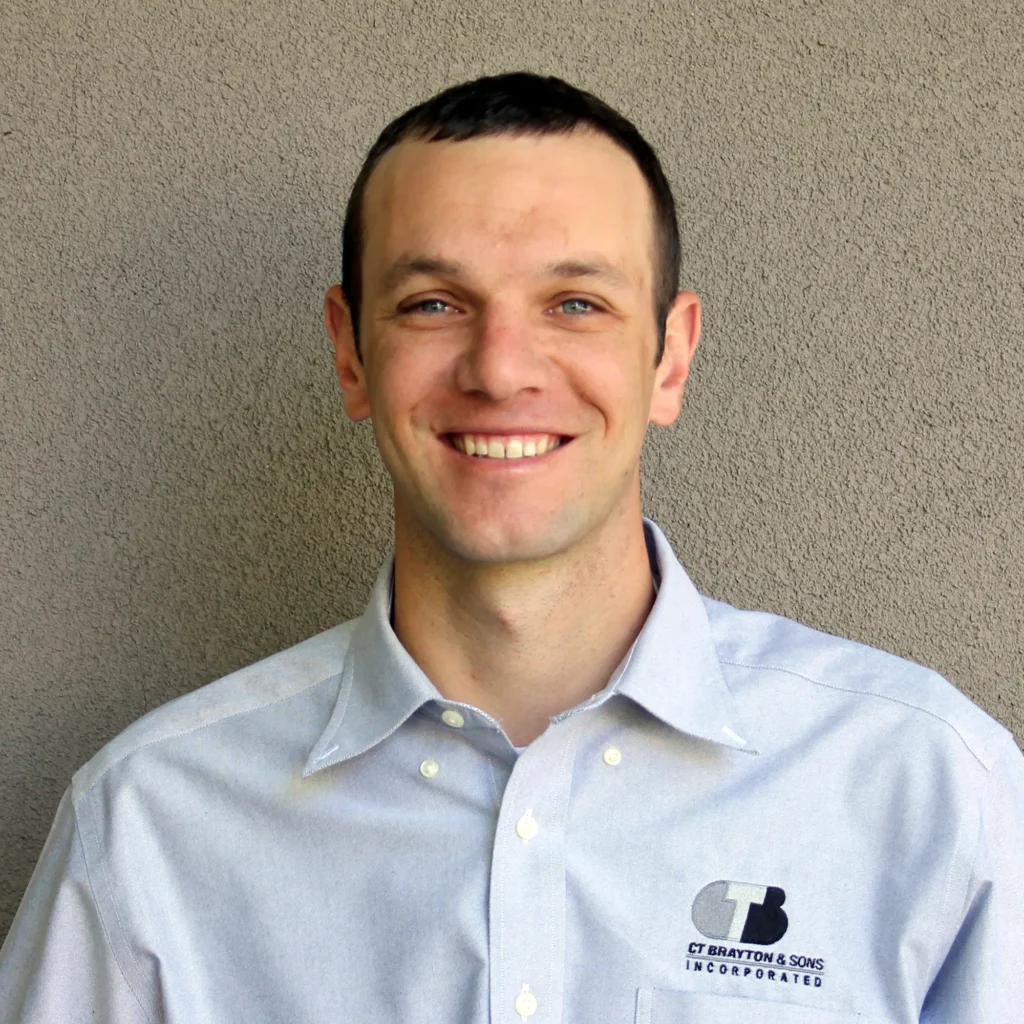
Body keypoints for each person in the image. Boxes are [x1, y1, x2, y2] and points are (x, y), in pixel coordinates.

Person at [1, 70, 1021, 1024]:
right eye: (434, 305)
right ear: (351, 352)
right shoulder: (148, 827)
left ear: (669, 357)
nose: (499, 369)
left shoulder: (925, 789)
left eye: (575, 304)